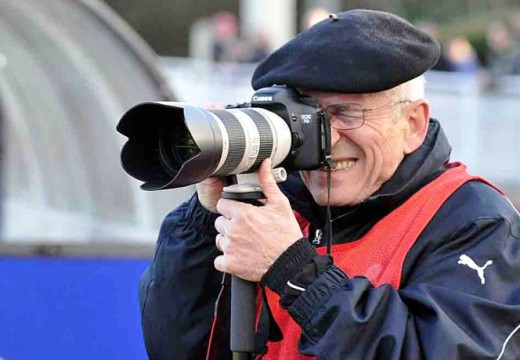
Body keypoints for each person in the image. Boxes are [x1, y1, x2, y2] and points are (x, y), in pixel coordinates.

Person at [139, 10, 520, 359]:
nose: (326, 140)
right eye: (307, 120)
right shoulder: (274, 202)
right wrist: (205, 222)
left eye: (345, 114)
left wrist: (296, 273)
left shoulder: (473, 220)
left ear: (413, 125)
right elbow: (174, 347)